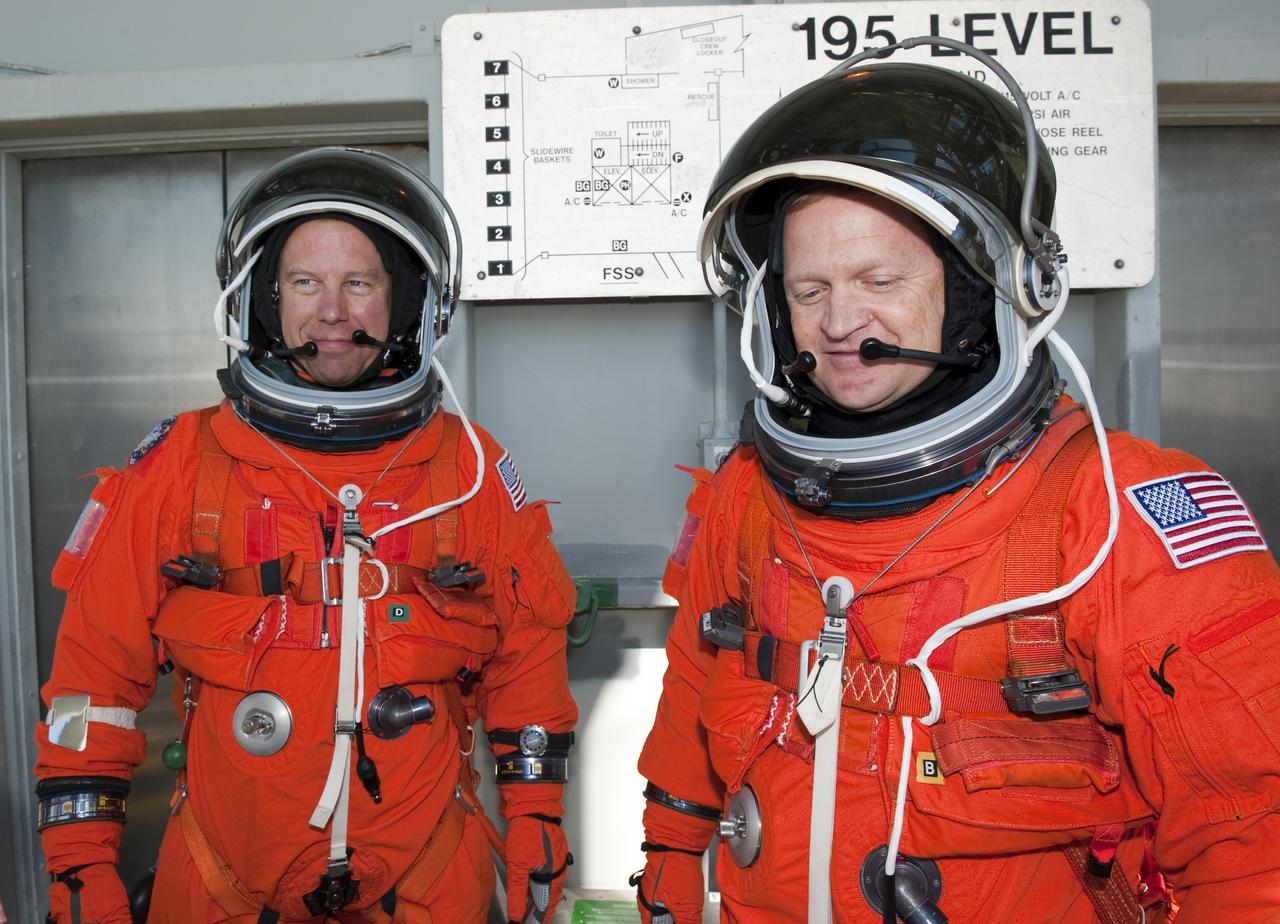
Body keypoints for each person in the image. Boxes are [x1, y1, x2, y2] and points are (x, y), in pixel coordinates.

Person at [633, 43, 1280, 924]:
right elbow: (695, 680)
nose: (837, 320)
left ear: (986, 288)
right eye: (809, 288)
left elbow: (1252, 841)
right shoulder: (746, 496)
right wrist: (670, 860)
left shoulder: (1111, 519)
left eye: (880, 279)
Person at [34, 147, 577, 923]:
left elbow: (528, 659)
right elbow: (95, 677)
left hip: (426, 879)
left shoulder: (468, 471)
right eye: (303, 283)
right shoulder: (185, 464)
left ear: (408, 299)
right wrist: (79, 864)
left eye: (359, 283)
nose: (331, 311)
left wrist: (536, 818)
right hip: (222, 883)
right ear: (263, 299)